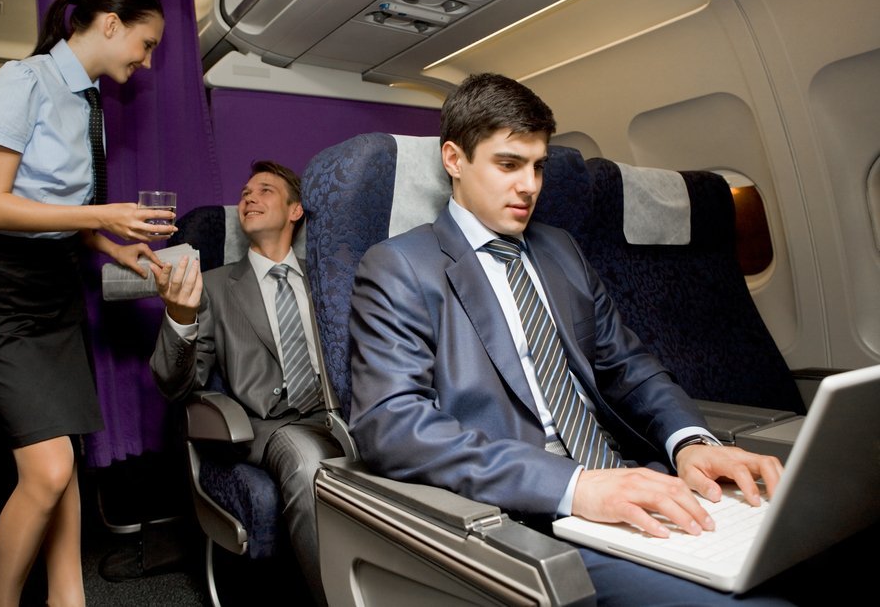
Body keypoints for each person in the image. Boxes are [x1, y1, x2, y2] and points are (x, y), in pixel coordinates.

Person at [348, 73, 791, 605]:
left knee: (806, 542)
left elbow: (630, 366)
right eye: (509, 164)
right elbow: (392, 425)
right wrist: (574, 486)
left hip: (631, 474)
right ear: (454, 160)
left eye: (539, 166)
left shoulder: (560, 249)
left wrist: (691, 442)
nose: (530, 185)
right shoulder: (399, 266)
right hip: (530, 513)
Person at [0, 0, 172, 607]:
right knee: (47, 471)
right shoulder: (23, 81)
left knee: (64, 456)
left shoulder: (87, 103)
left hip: (54, 292)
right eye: (146, 42)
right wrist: (101, 217)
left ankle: (66, 596)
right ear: (109, 23)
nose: (147, 58)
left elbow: (54, 212)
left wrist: (112, 245)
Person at [150, 160, 342, 606]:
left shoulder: (328, 282)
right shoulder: (214, 286)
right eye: (244, 193)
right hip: (271, 427)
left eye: (266, 191)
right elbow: (175, 385)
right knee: (305, 457)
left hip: (340, 415)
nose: (249, 198)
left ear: (296, 211)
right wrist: (180, 316)